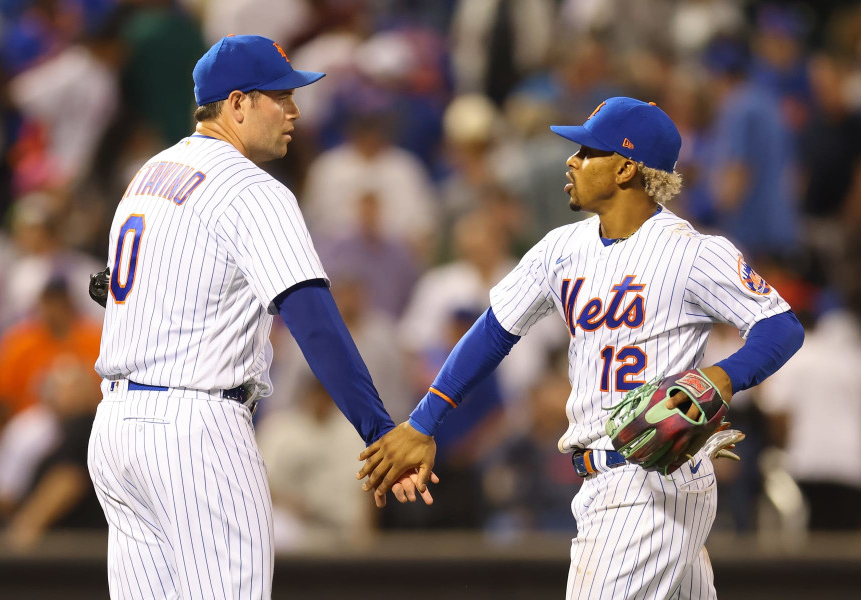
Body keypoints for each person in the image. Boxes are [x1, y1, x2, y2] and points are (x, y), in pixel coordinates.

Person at [358, 97, 805, 598]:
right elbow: (493, 332)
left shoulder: (691, 253)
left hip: (645, 482)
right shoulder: (561, 248)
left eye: (588, 150)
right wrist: (423, 422)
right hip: (616, 482)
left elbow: (780, 327)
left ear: (625, 168)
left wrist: (720, 379)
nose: (571, 160)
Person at [87, 35, 432, 600]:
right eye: (280, 96)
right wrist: (379, 431)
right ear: (237, 104)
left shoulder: (149, 174)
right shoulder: (250, 188)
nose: (296, 110)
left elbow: (113, 287)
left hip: (119, 432)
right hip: (197, 428)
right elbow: (313, 319)